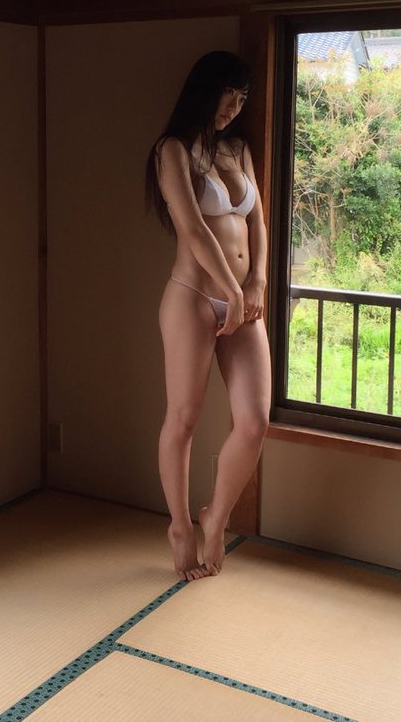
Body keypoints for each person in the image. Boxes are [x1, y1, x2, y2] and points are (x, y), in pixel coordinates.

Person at [144, 50, 270, 582]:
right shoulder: (171, 150)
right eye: (227, 94)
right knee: (184, 418)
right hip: (193, 298)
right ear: (205, 89)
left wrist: (256, 281)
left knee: (255, 421)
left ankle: (215, 515)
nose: (234, 107)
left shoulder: (237, 149)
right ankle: (179, 526)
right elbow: (194, 231)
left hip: (243, 299)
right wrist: (232, 292)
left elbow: (258, 222)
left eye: (242, 98)